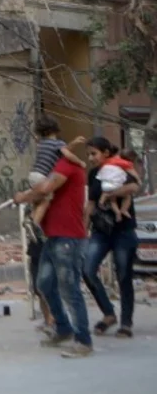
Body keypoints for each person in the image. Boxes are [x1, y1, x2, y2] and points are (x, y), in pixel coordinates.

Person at [13, 141, 93, 358]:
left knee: (70, 289)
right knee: (44, 284)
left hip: (68, 238)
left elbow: (46, 188)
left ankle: (83, 340)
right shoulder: (62, 167)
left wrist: (23, 197)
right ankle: (64, 327)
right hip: (53, 237)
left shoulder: (66, 166)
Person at [82, 137, 141, 339]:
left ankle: (126, 322)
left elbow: (134, 187)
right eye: (89, 154)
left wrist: (110, 194)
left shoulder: (119, 166)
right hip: (100, 232)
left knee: (123, 275)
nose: (91, 158)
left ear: (106, 152)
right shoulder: (93, 174)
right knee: (88, 270)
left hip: (123, 230)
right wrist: (83, 229)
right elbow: (90, 204)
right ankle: (108, 314)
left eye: (94, 154)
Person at [26, 118, 87, 228]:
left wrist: (73, 143)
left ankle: (31, 218)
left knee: (38, 201)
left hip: (33, 175)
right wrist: (80, 162)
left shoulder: (42, 143)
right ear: (56, 130)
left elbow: (63, 150)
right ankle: (34, 224)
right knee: (46, 200)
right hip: (43, 176)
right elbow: (67, 154)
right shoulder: (57, 143)